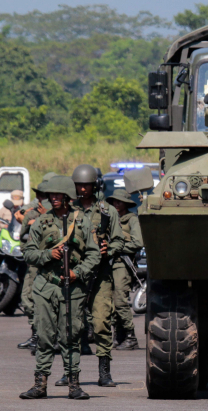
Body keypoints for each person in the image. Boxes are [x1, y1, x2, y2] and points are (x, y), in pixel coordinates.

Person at [19, 176, 100, 400]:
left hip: (73, 286)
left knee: (71, 336)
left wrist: (78, 272)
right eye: (50, 195)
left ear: (66, 196)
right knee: (44, 336)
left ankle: (73, 385)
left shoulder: (82, 221)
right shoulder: (41, 222)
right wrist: (47, 254)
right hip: (46, 285)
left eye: (57, 195)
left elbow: (94, 254)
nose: (52, 199)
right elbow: (28, 252)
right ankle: (40, 384)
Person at [57, 164, 124, 388]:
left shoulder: (107, 211)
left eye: (86, 185)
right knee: (71, 324)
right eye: (78, 185)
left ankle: (104, 370)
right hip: (74, 274)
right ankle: (70, 371)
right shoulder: (67, 211)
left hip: (101, 274)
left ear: (94, 186)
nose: (82, 189)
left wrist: (109, 250)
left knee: (101, 322)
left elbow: (118, 240)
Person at [17, 181, 53, 352]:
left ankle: (40, 334)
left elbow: (22, 234)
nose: (40, 199)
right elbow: (22, 232)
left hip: (46, 261)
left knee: (34, 299)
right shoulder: (33, 213)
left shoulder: (56, 214)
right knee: (29, 298)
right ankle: (36, 333)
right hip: (36, 261)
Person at [106, 189, 143, 350]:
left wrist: (117, 247)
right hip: (108, 264)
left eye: (119, 201)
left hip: (122, 263)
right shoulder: (109, 219)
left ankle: (130, 336)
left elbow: (138, 242)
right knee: (110, 303)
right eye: (114, 201)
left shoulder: (131, 220)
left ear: (126, 204)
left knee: (120, 300)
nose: (116, 204)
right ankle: (118, 335)